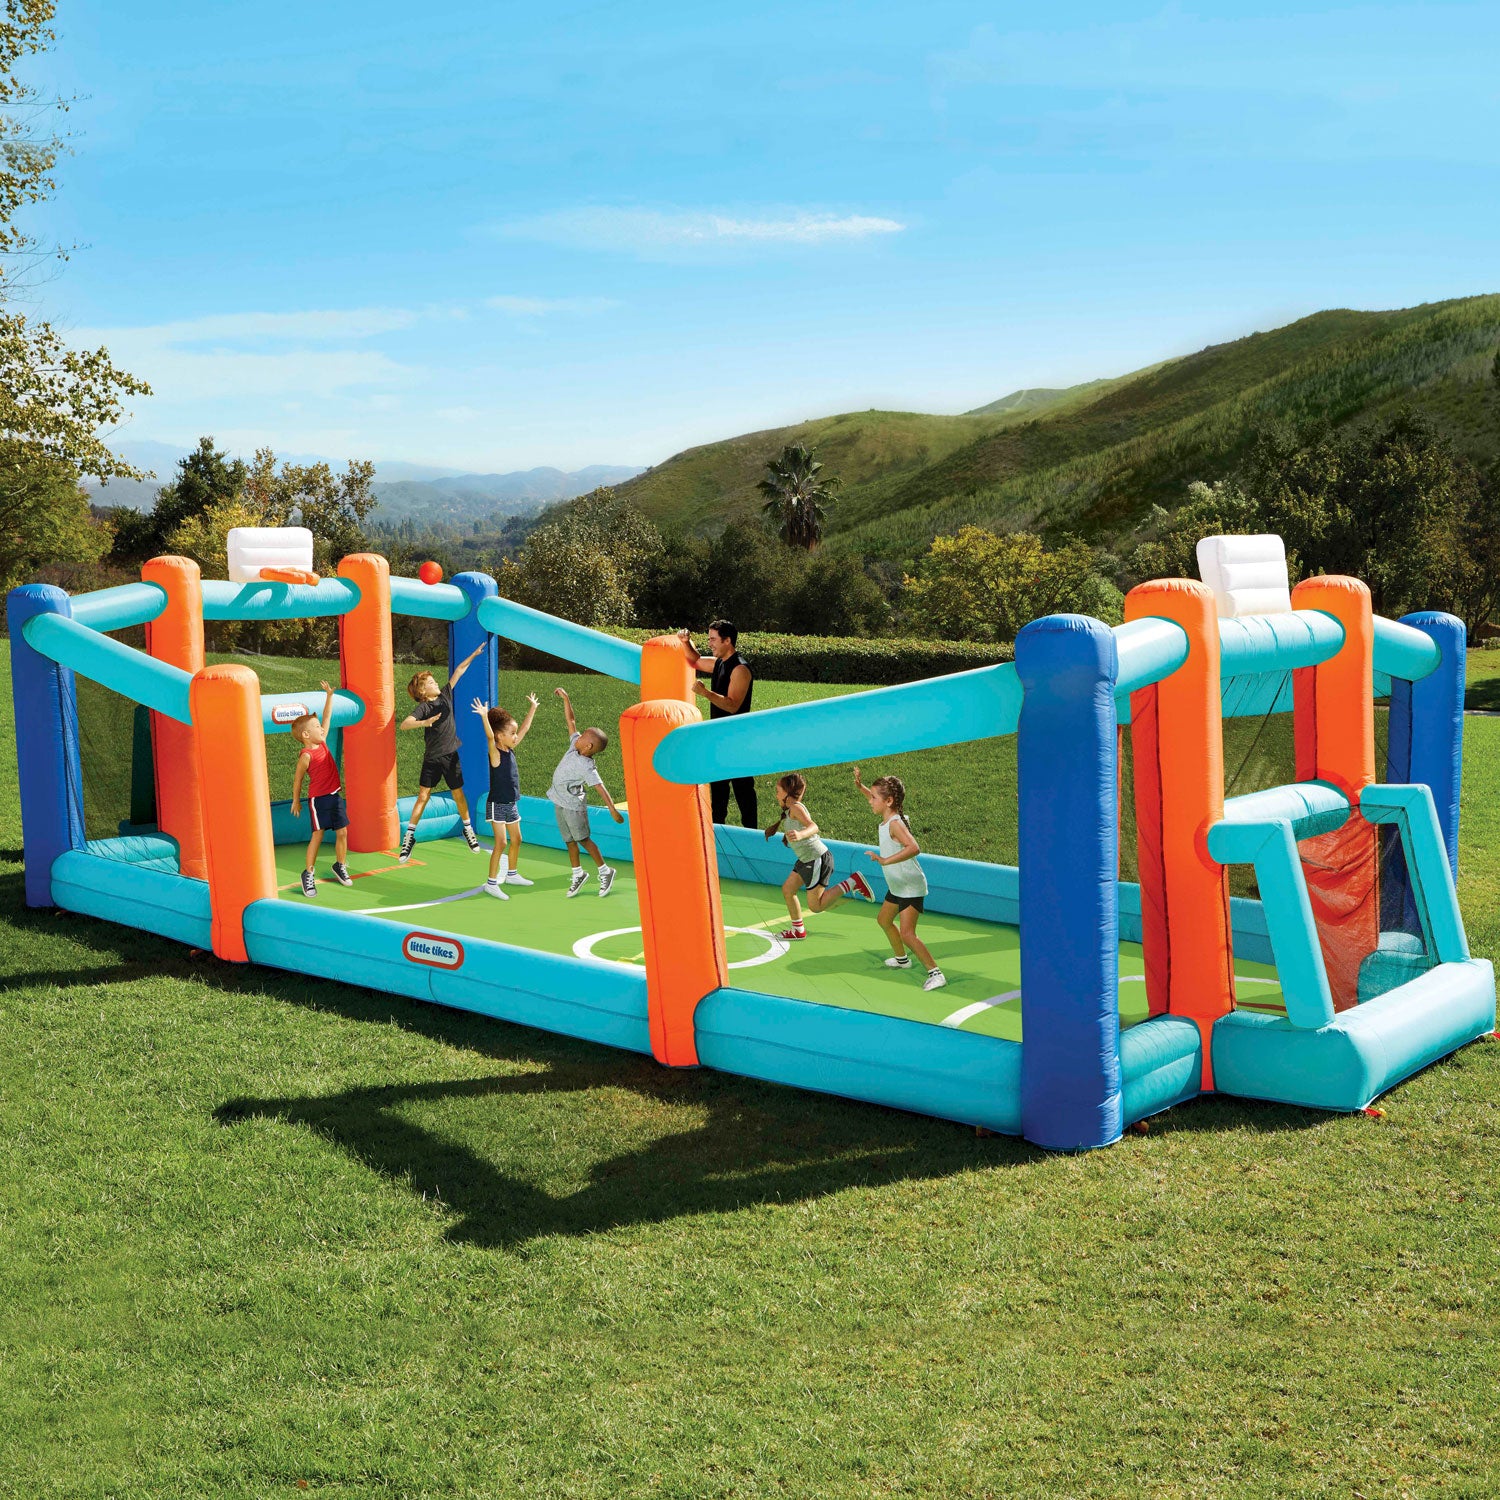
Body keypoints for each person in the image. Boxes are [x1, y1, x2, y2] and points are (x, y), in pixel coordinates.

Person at [852, 765, 946, 991]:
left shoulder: (894, 824)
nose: (870, 801)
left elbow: (914, 847)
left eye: (874, 798)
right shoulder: (888, 816)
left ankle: (936, 973)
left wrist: (886, 860)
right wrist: (860, 786)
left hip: (910, 886)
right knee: (884, 919)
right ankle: (902, 960)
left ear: (889, 801)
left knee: (908, 934)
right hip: (897, 885)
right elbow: (876, 797)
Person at [397, 643, 486, 862]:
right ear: (422, 692)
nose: (436, 683)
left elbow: (459, 670)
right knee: (423, 796)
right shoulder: (424, 708)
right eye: (430, 683)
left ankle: (468, 829)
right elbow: (405, 724)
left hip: (451, 755)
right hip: (432, 758)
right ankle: (409, 837)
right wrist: (425, 722)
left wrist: (473, 654)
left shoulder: (445, 695)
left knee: (458, 794)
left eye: (434, 681)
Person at [765, 772, 871, 940]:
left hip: (816, 859)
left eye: (778, 792)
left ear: (787, 793)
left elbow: (813, 826)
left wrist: (800, 835)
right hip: (806, 859)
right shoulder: (790, 810)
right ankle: (798, 930)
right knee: (788, 890)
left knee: (816, 906)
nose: (776, 795)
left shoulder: (796, 808)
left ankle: (852, 882)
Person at [678, 620, 757, 827]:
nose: (710, 643)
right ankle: (717, 834)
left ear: (727, 640)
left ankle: (753, 835)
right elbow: (695, 660)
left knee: (743, 791)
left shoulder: (740, 669)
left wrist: (705, 693)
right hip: (718, 737)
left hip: (737, 739)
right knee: (719, 790)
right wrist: (686, 641)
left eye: (713, 639)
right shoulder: (719, 662)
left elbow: (732, 705)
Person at [549, 687, 624, 897]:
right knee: (569, 841)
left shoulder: (587, 767)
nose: (578, 735)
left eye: (583, 736)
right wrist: (566, 698)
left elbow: (600, 786)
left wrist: (612, 810)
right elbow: (571, 721)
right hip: (559, 802)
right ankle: (578, 874)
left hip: (573, 807)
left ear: (589, 746)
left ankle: (605, 871)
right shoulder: (574, 746)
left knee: (583, 840)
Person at [471, 691, 539, 899]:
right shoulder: (495, 753)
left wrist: (533, 708)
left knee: (517, 839)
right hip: (497, 804)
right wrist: (484, 717)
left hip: (511, 803)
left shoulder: (511, 749)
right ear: (501, 736)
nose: (516, 736)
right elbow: (490, 737)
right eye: (512, 733)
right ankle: (491, 883)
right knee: (501, 842)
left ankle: (512, 874)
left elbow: (525, 729)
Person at [289, 681, 352, 898]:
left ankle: (340, 865)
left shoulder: (322, 741)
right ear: (306, 735)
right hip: (318, 800)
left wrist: (329, 696)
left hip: (335, 796)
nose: (321, 728)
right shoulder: (306, 756)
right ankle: (308, 873)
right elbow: (298, 780)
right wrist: (296, 800)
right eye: (316, 727)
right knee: (318, 834)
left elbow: (327, 717)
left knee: (343, 832)